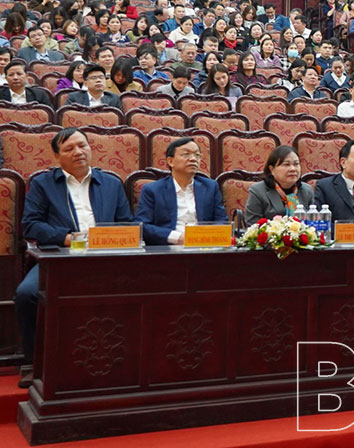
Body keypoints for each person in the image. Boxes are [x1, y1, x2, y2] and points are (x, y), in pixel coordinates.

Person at [15, 128, 136, 386]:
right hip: (60, 258)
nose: (78, 152)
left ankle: (128, 356)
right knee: (27, 294)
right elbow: (31, 226)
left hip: (106, 258)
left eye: (82, 146)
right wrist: (69, 238)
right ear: (57, 157)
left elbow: (126, 223)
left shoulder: (112, 183)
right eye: (69, 149)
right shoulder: (43, 184)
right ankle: (32, 361)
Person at [136, 137, 227, 245]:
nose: (193, 159)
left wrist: (204, 236)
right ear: (170, 161)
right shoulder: (153, 190)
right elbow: (142, 225)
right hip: (167, 250)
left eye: (197, 155)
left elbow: (222, 221)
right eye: (186, 154)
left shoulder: (210, 187)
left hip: (204, 247)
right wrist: (178, 237)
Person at [243, 145, 315, 224]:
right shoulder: (258, 191)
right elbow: (252, 226)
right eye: (286, 164)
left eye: (296, 164)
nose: (293, 169)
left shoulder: (307, 190)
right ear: (272, 169)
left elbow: (313, 223)